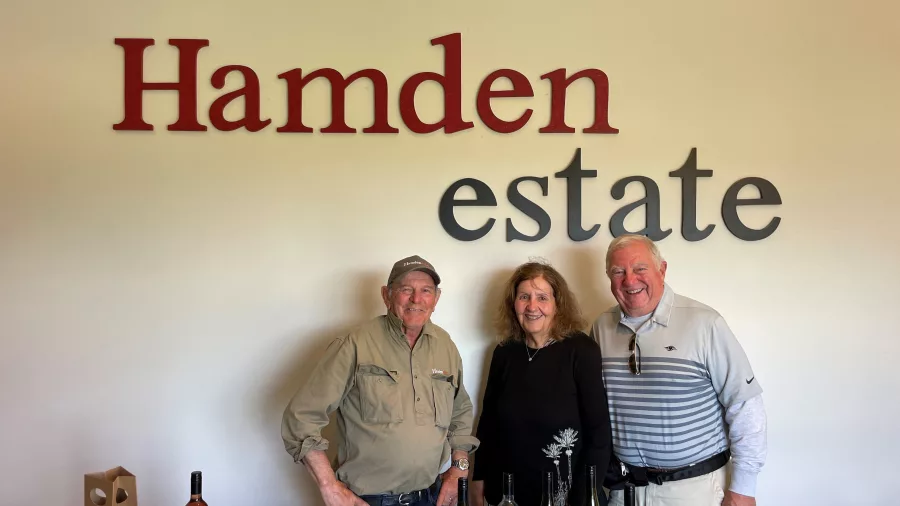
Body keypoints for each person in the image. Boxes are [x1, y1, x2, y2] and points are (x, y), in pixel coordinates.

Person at [281, 255, 479, 506]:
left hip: (429, 497)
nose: (417, 299)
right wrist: (329, 486)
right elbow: (301, 417)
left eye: (426, 291)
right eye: (406, 290)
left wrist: (459, 468)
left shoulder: (445, 346)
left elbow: (460, 411)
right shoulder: (355, 344)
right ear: (387, 295)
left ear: (436, 298)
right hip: (368, 500)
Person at [590, 235, 767, 506]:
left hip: (694, 491)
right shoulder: (600, 328)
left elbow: (744, 404)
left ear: (662, 270)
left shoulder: (704, 323)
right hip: (624, 491)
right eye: (618, 271)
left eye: (640, 269)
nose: (629, 280)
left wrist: (743, 488)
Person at [471, 261, 612, 506]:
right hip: (508, 494)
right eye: (524, 296)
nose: (532, 306)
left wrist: (583, 497)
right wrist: (479, 478)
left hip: (565, 495)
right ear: (513, 304)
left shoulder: (581, 350)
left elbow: (599, 435)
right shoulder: (504, 352)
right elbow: (489, 423)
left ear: (558, 304)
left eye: (542, 297)